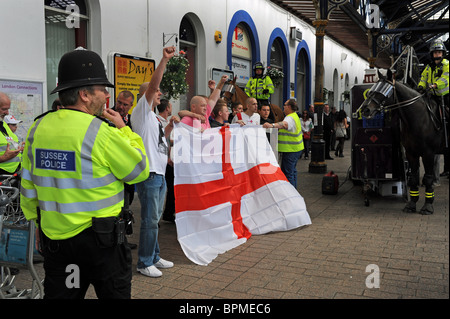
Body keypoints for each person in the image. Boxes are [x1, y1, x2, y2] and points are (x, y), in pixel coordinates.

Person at [20, 48, 150, 299]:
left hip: (57, 242)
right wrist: (124, 130)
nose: (107, 94)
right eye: (102, 88)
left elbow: (28, 183)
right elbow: (139, 170)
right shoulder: (101, 132)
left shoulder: (37, 128)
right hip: (103, 245)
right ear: (84, 95)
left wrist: (35, 221)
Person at [130, 47, 180, 278]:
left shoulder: (155, 119)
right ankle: (144, 262)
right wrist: (164, 60)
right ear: (147, 95)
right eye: (156, 91)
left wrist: (172, 124)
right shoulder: (140, 112)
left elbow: (161, 139)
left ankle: (154, 256)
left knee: (155, 220)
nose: (159, 94)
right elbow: (152, 85)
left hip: (159, 173)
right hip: (149, 174)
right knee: (150, 220)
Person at [263, 99, 304, 189]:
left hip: (290, 150)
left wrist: (272, 125)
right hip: (295, 149)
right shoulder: (294, 116)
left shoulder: (290, 118)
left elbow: (284, 124)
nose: (283, 107)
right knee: (292, 172)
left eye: (285, 105)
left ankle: (291, 193)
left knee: (288, 173)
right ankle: (294, 192)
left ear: (289, 107)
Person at [157, 99, 176, 223]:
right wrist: (169, 157)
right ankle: (166, 213)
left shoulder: (163, 121)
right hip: (165, 160)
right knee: (169, 188)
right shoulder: (160, 122)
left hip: (166, 159)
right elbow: (165, 141)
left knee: (168, 188)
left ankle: (167, 212)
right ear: (167, 109)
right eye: (170, 106)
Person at [0, 92, 24, 175]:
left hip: (13, 174)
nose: (7, 113)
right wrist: (2, 158)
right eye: (4, 109)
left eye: (8, 109)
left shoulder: (3, 124)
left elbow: (9, 143)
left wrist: (19, 148)